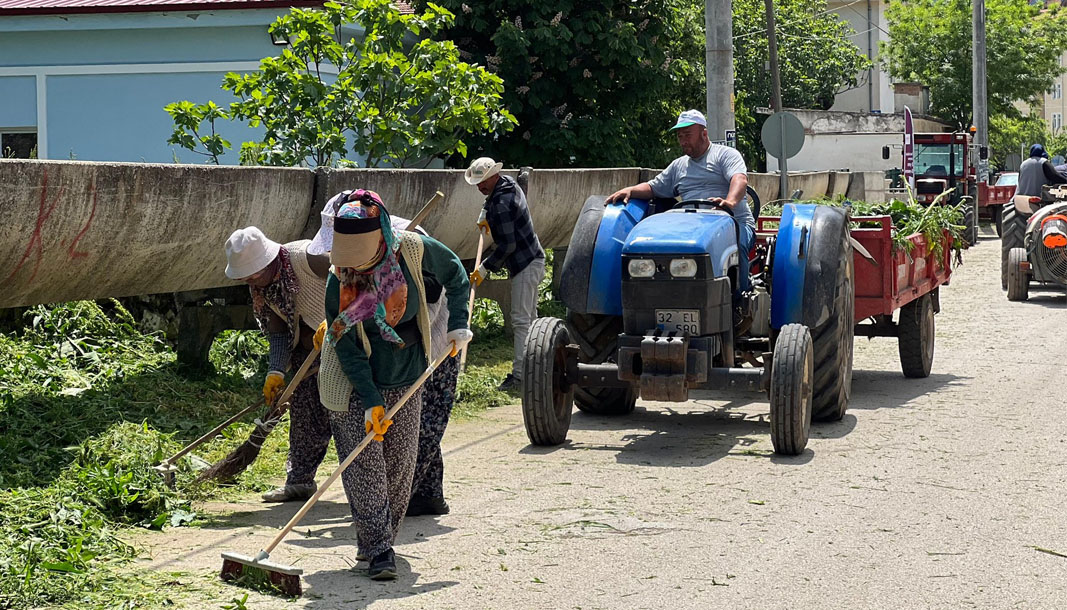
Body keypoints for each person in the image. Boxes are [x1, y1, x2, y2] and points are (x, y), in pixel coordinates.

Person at [316, 190, 471, 580]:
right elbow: (347, 348)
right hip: (352, 379)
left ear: (383, 237)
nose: (356, 269)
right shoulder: (340, 283)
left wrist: (458, 324)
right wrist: (369, 399)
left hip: (407, 371)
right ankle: (377, 549)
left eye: (363, 258)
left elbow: (455, 273)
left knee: (400, 465)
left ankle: (384, 538)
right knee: (362, 463)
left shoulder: (414, 250)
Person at [223, 227, 333, 503]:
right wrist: (275, 371)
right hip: (308, 352)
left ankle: (368, 488)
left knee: (345, 415)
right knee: (306, 417)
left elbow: (350, 277)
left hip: (345, 343)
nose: (251, 281)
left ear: (269, 261)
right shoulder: (262, 287)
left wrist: (336, 316)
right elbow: (279, 330)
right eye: (246, 277)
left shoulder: (306, 257)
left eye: (254, 274)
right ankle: (299, 481)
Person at [606, 109, 754, 299]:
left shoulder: (726, 155)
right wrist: (630, 190)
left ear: (704, 134)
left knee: (738, 245)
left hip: (734, 223)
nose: (683, 141)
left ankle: (740, 297)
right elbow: (653, 187)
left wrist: (729, 202)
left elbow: (739, 179)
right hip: (694, 230)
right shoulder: (678, 166)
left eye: (687, 135)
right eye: (679, 136)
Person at [465, 157, 546, 392]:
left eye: (482, 182)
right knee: (529, 319)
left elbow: (508, 245)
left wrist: (485, 268)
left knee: (522, 320)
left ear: (493, 175)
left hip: (525, 263)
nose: (479, 187)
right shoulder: (509, 183)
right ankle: (537, 369)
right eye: (477, 182)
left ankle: (521, 377)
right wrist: (484, 214)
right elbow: (493, 200)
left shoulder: (501, 204)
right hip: (532, 257)